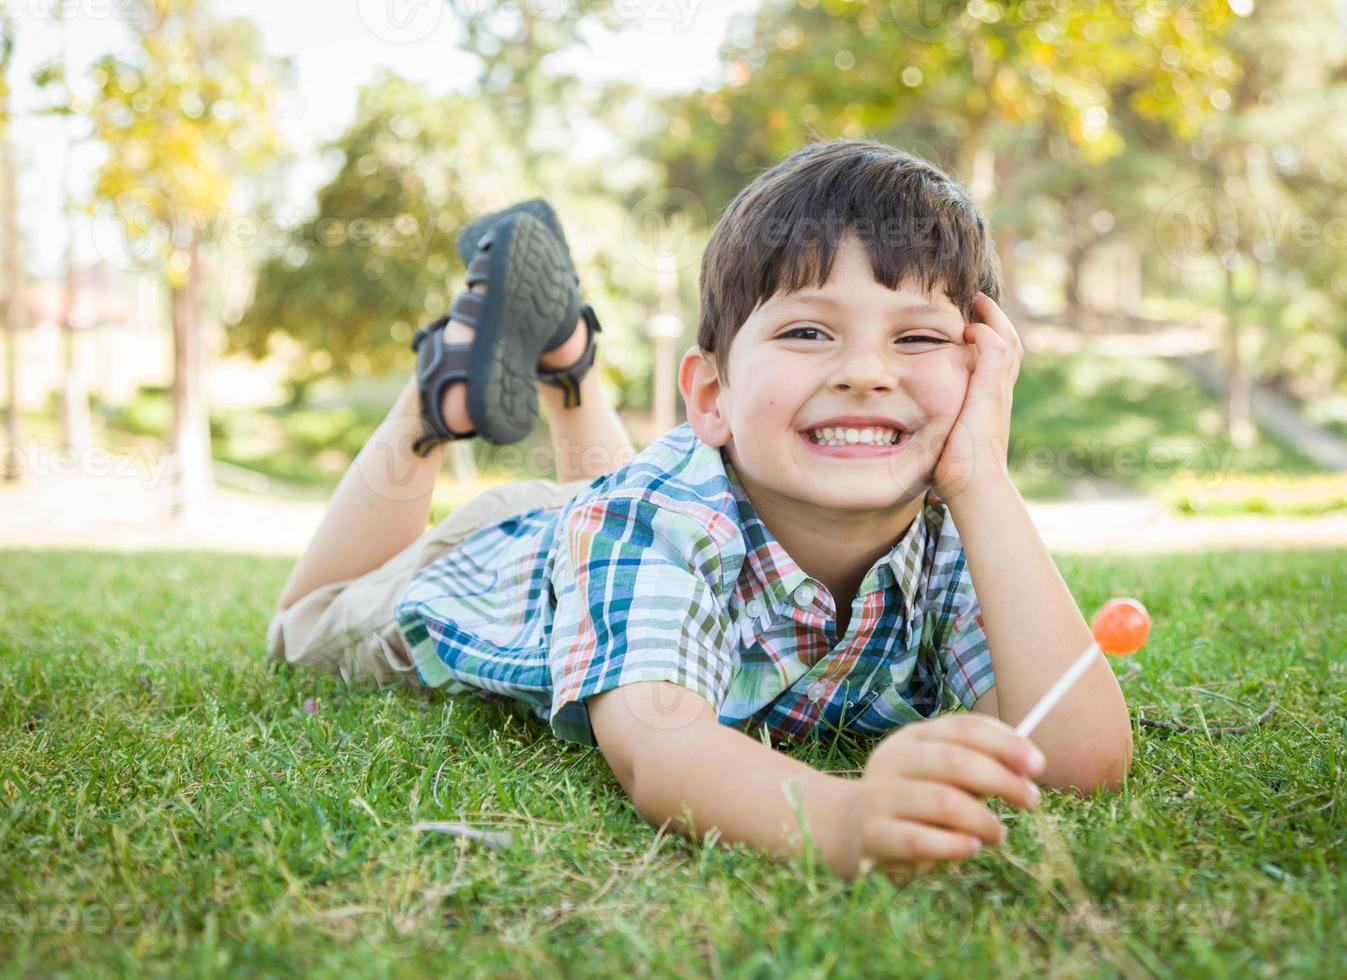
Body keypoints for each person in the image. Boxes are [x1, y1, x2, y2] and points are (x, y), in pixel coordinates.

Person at [266, 139, 1133, 883]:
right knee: (302, 631)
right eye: (806, 332)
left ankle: (565, 350)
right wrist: (844, 817)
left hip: (606, 519)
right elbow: (661, 746)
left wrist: (983, 478)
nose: (867, 371)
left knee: (606, 500)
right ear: (711, 395)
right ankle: (434, 398)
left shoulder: (955, 531)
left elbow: (1081, 761)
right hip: (501, 563)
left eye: (919, 338)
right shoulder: (654, 520)